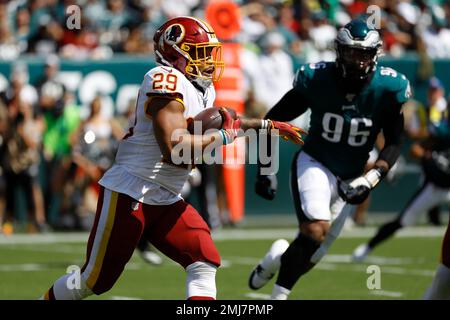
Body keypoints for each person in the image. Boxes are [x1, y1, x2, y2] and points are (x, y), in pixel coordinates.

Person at [41, 16, 304, 300]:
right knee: (94, 280)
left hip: (167, 195)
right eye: (200, 52)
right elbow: (174, 147)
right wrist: (226, 137)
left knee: (204, 260)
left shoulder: (202, 88)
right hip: (133, 190)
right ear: (174, 53)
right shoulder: (163, 79)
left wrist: (265, 126)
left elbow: (227, 121)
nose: (208, 60)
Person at [248, 18, 411, 300]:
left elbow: (395, 142)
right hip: (316, 162)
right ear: (339, 51)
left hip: (351, 175)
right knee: (314, 230)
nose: (357, 60)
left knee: (312, 254)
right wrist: (265, 169)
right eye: (350, 52)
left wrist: (371, 178)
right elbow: (272, 121)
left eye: (363, 53)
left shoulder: (388, 87)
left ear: (375, 55)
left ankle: (276, 258)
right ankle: (277, 298)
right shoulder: (317, 79)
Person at [352, 107, 450, 262]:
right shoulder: (443, 130)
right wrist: (430, 158)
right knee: (402, 221)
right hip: (435, 187)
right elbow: (415, 150)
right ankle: (368, 247)